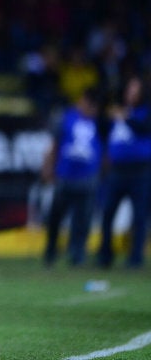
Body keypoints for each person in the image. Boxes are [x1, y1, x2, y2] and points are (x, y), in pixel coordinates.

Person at [41, 87, 105, 267]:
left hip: (87, 178)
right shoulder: (65, 117)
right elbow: (54, 144)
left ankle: (77, 253)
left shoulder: (99, 122)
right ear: (81, 100)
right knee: (55, 217)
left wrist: (100, 171)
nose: (89, 108)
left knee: (82, 219)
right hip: (65, 175)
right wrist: (48, 167)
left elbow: (106, 148)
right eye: (87, 103)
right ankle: (51, 251)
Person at [97, 75, 151, 269]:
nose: (131, 93)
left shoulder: (144, 112)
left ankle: (135, 258)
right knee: (107, 212)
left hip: (140, 171)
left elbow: (144, 128)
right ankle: (105, 255)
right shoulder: (119, 112)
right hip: (116, 171)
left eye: (135, 90)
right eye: (129, 89)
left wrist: (125, 118)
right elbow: (103, 129)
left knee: (139, 216)